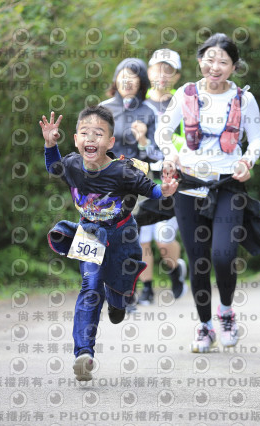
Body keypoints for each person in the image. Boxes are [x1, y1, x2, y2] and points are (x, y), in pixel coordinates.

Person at [39, 107, 178, 380]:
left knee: (119, 291)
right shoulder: (72, 164)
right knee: (90, 287)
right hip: (90, 233)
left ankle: (119, 301)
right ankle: (83, 353)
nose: (91, 138)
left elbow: (151, 189)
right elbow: (53, 166)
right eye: (85, 133)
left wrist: (165, 190)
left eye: (98, 134)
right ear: (76, 140)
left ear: (110, 142)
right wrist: (50, 144)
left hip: (122, 234)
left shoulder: (123, 171)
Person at [156, 34, 260, 353]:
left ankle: (226, 312)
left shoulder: (244, 99)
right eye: (209, 59)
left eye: (223, 62)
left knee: (223, 255)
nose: (215, 67)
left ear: (234, 67)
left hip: (228, 184)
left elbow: (257, 139)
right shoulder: (185, 94)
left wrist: (247, 160)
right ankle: (205, 327)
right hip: (189, 185)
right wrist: (170, 154)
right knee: (198, 260)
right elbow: (164, 131)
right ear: (199, 60)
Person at [99, 57, 162, 312]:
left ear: (141, 83)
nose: (127, 81)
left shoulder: (149, 111)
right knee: (103, 238)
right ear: (116, 79)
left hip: (135, 184)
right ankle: (102, 289)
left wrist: (144, 140)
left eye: (133, 77)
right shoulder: (103, 110)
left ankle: (127, 294)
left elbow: (158, 155)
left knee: (129, 238)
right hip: (104, 184)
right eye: (123, 75)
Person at [137, 48, 188, 306]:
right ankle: (147, 288)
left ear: (176, 76)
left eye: (168, 70)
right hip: (142, 177)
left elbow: (189, 139)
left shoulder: (184, 103)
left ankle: (175, 270)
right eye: (158, 68)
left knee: (164, 236)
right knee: (142, 237)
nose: (162, 74)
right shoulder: (138, 104)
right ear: (149, 72)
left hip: (173, 176)